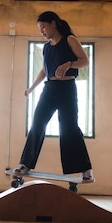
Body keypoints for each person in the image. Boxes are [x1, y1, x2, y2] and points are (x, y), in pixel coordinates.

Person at [12, 11, 94, 183]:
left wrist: (69, 64)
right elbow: (44, 70)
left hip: (67, 89)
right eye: (39, 29)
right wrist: (31, 88)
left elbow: (85, 60)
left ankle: (86, 170)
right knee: (37, 122)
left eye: (43, 27)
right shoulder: (46, 47)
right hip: (49, 89)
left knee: (69, 128)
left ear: (53, 23)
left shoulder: (69, 39)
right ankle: (25, 163)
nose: (41, 31)